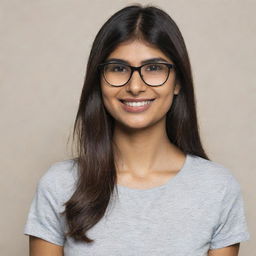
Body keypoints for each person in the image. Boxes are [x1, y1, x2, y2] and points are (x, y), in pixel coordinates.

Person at [23, 4, 250, 256]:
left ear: (178, 83)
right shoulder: (59, 184)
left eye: (153, 68)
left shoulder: (217, 188)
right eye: (118, 68)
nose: (135, 86)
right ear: (99, 81)